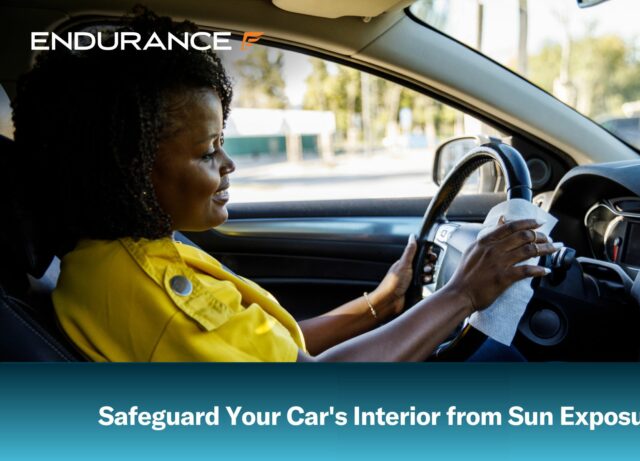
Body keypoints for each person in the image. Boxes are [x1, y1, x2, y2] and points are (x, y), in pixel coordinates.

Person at [11, 8, 556, 362]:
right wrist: (460, 295)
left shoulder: (136, 255)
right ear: (125, 168)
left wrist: (381, 303)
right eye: (207, 151)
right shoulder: (149, 291)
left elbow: (274, 350)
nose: (228, 165)